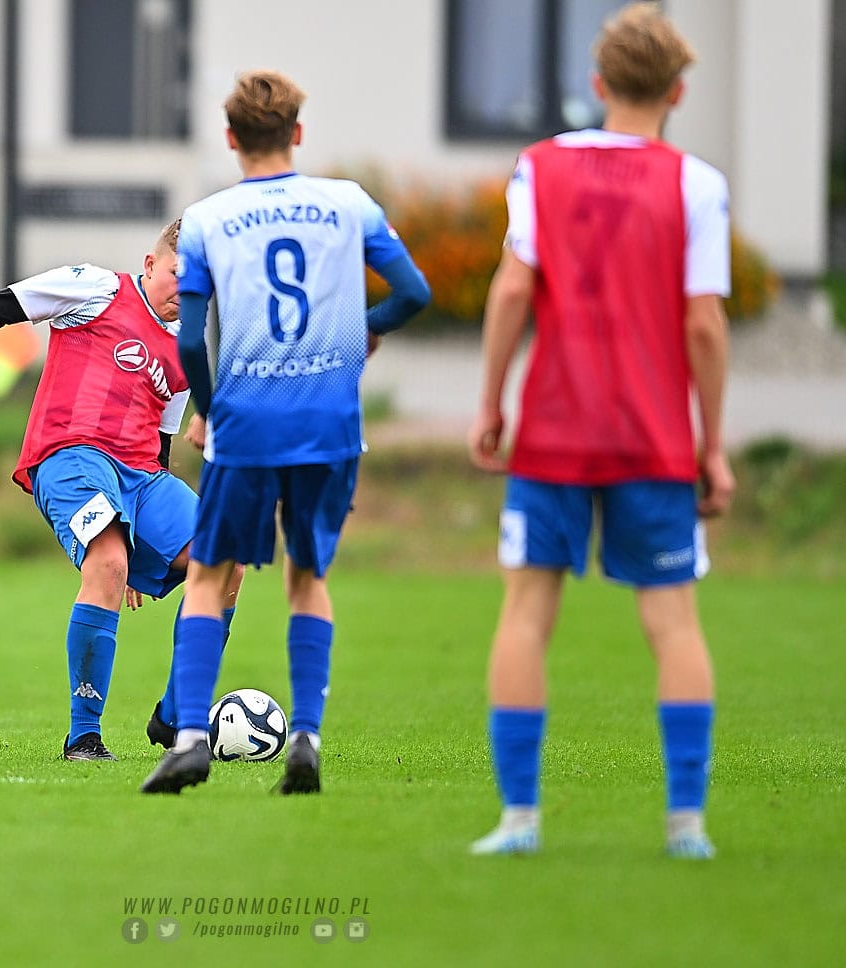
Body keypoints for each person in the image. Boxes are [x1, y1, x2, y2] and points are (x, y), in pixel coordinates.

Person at [465, 2, 733, 858]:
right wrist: (712, 443)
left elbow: (513, 289)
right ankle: (686, 826)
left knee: (525, 614)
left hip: (553, 432)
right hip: (653, 438)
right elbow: (704, 325)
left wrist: (492, 402)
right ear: (678, 92)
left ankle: (519, 822)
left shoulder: (539, 166)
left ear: (597, 84)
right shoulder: (696, 184)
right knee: (674, 621)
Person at [140, 69, 430, 795]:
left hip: (246, 423)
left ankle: (190, 739)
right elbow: (415, 292)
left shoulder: (206, 220)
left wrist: (208, 410)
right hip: (328, 421)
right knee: (307, 578)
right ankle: (304, 736)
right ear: (297, 133)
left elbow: (190, 340)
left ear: (231, 138)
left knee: (209, 574)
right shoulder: (348, 204)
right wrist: (363, 331)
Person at [0, 220, 244, 761]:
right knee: (107, 562)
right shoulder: (95, 288)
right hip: (70, 455)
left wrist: (145, 542)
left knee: (226, 560)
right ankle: (83, 736)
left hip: (140, 475)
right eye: (179, 274)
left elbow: (160, 439)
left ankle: (176, 717)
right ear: (150, 264)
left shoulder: (188, 347)